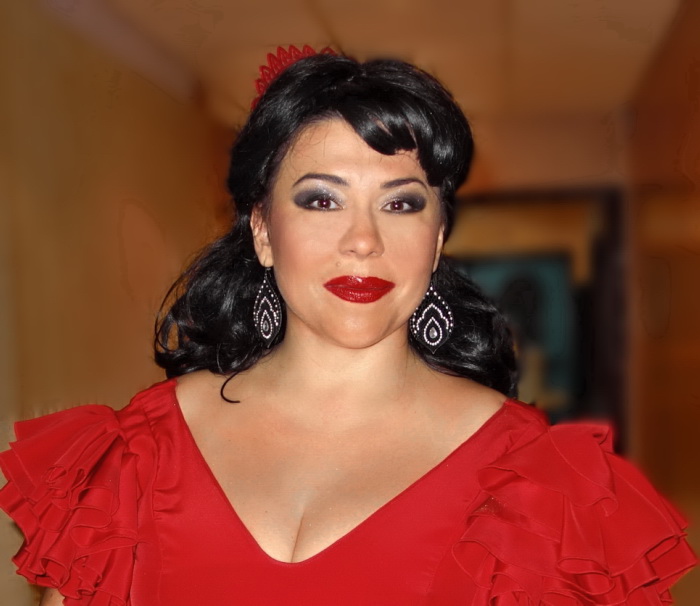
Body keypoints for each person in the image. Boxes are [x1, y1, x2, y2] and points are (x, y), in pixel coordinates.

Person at [1, 48, 695, 606]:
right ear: (263, 230)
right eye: (322, 200)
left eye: (401, 204)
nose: (363, 241)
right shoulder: (137, 455)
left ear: (438, 237)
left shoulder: (543, 491)